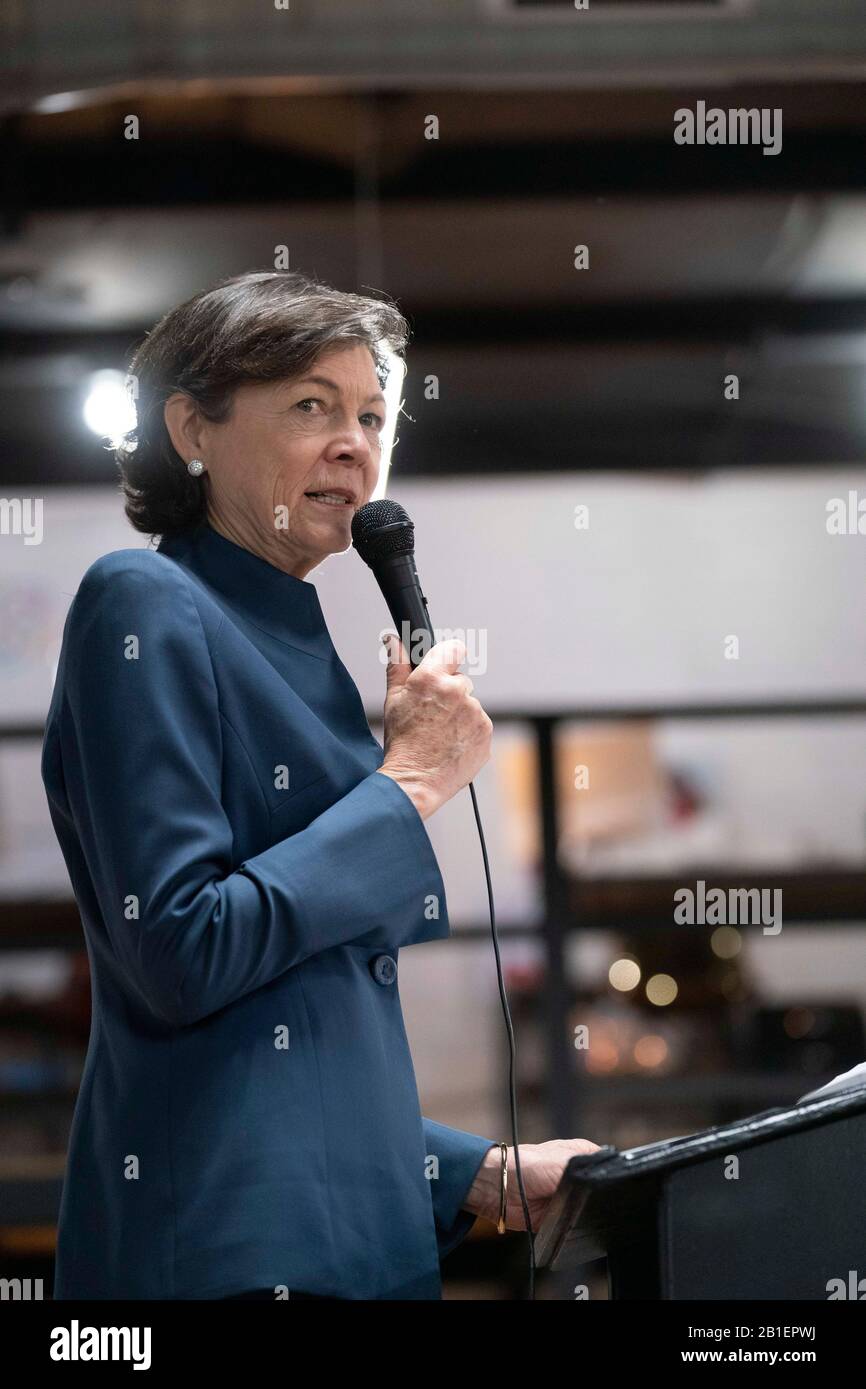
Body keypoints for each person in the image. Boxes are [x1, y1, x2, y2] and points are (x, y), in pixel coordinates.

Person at [41, 269, 598, 1300]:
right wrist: (410, 784)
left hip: (351, 1242)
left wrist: (472, 1171)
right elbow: (180, 952)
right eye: (311, 405)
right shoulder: (144, 601)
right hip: (224, 1251)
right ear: (190, 428)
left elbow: (300, 1026)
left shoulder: (313, 658)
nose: (356, 442)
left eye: (374, 415)